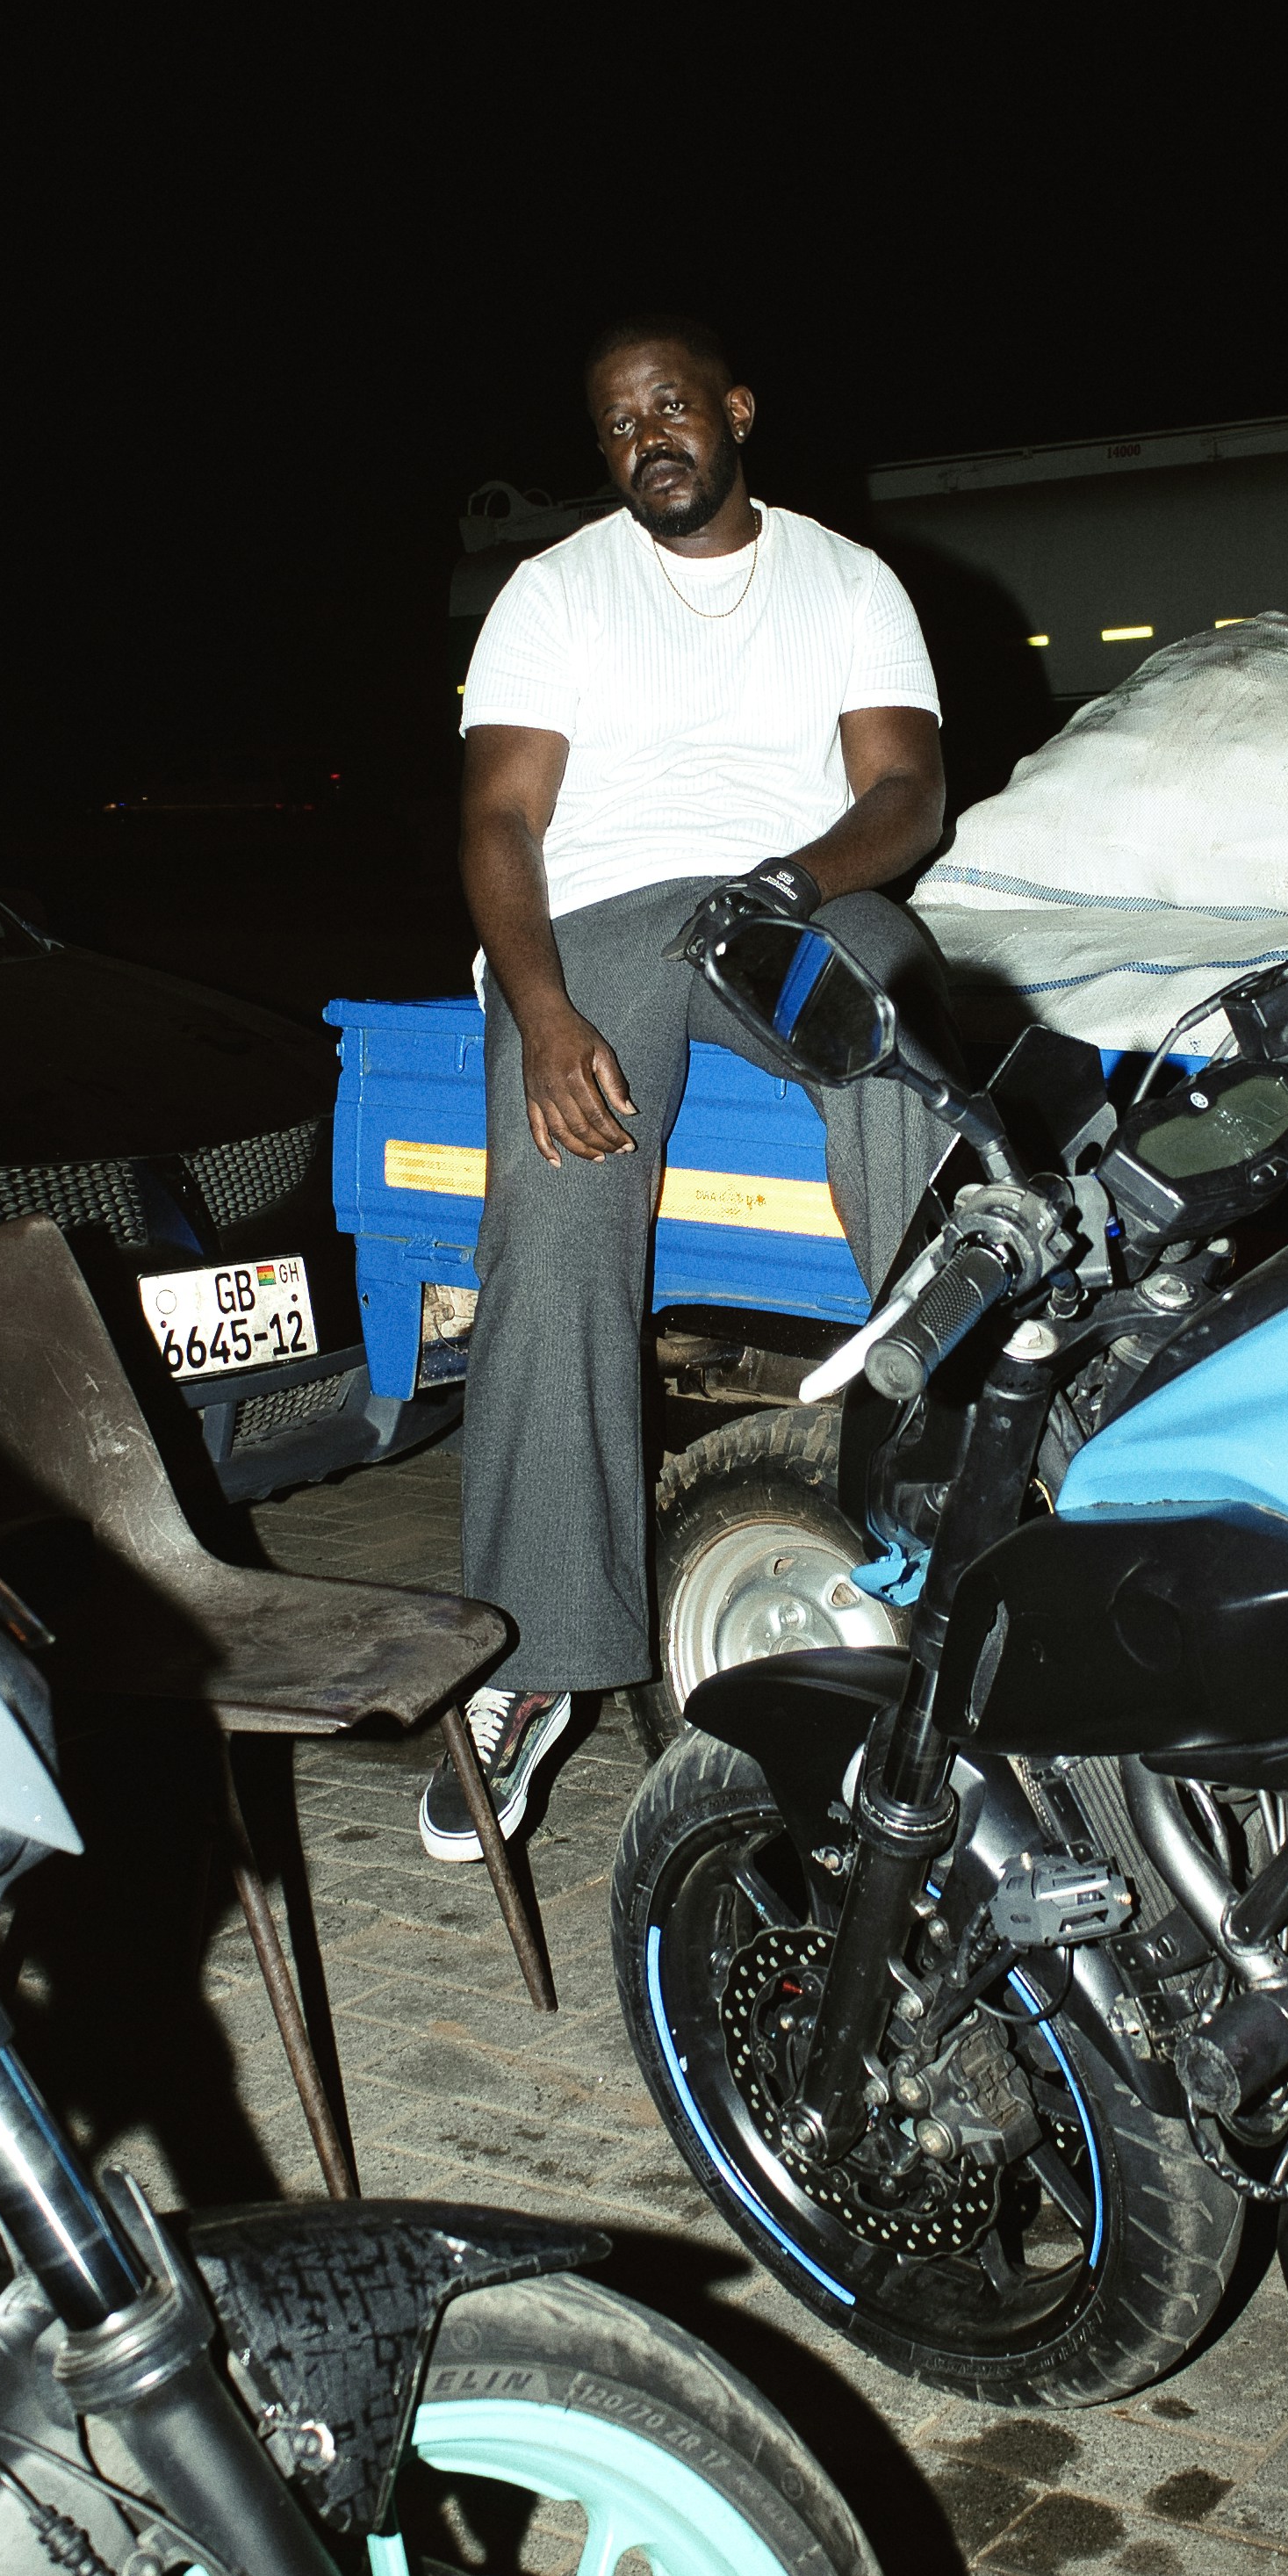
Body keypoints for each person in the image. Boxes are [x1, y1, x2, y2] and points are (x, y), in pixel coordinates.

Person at [424, 319, 951, 1859]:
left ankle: (948, 1433)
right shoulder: (556, 591)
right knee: (563, 1205)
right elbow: (500, 823)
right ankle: (529, 1662)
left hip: (785, 901)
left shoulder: (849, 581)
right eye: (614, 424)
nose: (647, 436)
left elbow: (905, 793)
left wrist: (782, 887)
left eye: (670, 407)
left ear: (734, 411)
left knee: (892, 997)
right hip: (598, 931)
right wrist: (538, 1008)